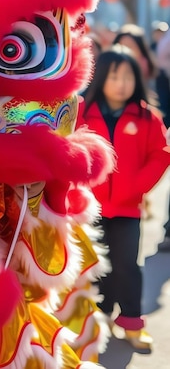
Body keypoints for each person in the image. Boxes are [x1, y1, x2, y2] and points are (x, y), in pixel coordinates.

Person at [77, 45, 170, 352]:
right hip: (88, 208)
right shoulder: (80, 112)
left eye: (128, 76)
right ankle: (97, 319)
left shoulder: (147, 117)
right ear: (100, 76)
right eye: (114, 76)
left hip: (128, 209)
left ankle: (131, 322)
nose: (121, 83)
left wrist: (137, 186)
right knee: (93, 266)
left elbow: (160, 154)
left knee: (127, 265)